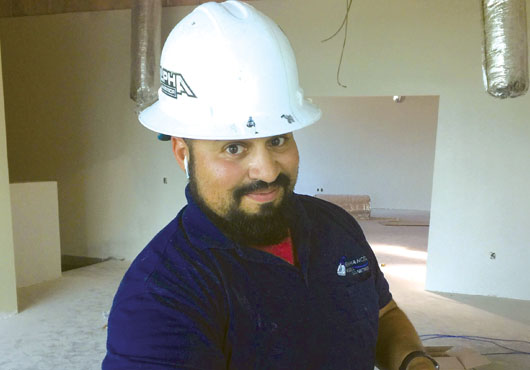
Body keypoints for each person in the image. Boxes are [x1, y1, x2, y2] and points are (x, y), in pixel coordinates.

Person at [103, 1, 439, 369]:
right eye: (234, 148)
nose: (266, 171)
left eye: (278, 140)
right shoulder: (161, 296)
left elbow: (384, 314)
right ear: (183, 153)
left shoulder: (335, 226)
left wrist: (413, 362)